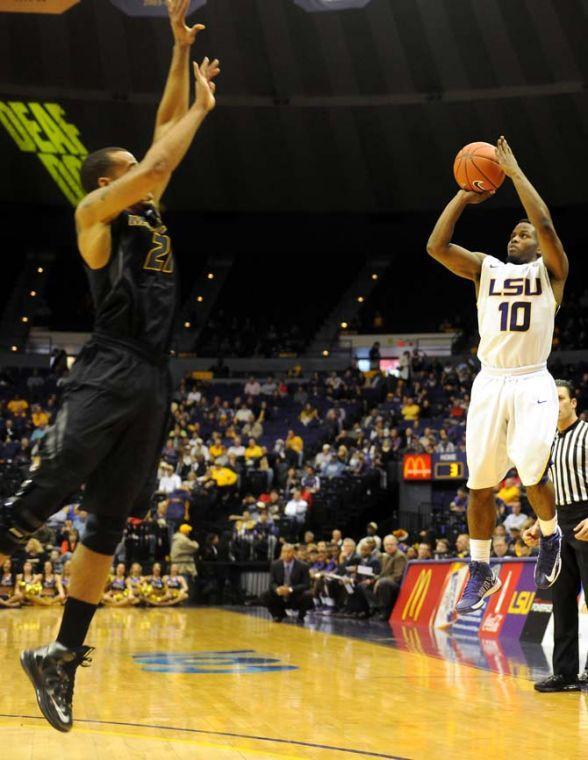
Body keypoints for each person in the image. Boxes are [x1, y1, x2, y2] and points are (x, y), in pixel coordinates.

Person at [0, 2, 220, 733]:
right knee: (33, 504)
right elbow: (162, 156)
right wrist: (206, 107)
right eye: (133, 172)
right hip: (111, 365)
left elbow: (158, 139)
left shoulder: (145, 206)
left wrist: (178, 53)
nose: (149, 174)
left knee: (106, 529)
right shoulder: (98, 210)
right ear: (109, 179)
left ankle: (61, 654)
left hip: (155, 377)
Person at [427, 137, 568, 614]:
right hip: (490, 381)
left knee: (531, 465)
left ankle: (550, 536)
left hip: (532, 379)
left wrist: (514, 172)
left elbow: (545, 221)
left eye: (523, 234)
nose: (517, 236)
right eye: (513, 232)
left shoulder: (552, 274)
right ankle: (480, 569)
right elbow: (436, 246)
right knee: (479, 484)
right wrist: (465, 194)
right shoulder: (486, 269)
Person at [523, 380, 588, 692]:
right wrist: (541, 522)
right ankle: (565, 674)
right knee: (561, 601)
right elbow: (553, 490)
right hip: (561, 523)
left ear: (573, 402)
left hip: (587, 518)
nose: (556, 404)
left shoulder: (587, 434)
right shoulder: (550, 441)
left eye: (561, 398)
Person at [260, 543, 313, 623]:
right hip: (280, 594)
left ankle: (301, 617)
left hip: (295, 595)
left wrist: (290, 589)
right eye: (284, 552)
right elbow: (272, 583)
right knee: (265, 594)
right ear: (281, 553)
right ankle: (277, 615)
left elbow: (307, 584)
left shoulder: (303, 566)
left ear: (294, 553)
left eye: (289, 552)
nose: (286, 554)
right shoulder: (275, 565)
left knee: (308, 594)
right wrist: (277, 589)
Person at [375, 535, 407, 620]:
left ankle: (385, 613)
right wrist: (374, 579)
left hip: (397, 585)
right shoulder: (385, 556)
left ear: (396, 544)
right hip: (386, 582)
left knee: (384, 582)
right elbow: (381, 573)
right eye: (386, 545)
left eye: (391, 544)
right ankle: (372, 610)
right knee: (363, 584)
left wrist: (380, 580)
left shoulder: (399, 556)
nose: (388, 546)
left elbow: (398, 576)